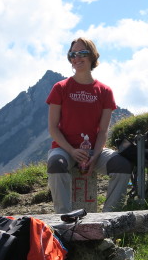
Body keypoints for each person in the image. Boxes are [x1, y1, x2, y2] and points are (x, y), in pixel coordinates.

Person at [46, 38, 132, 214]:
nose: (77, 58)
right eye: (72, 54)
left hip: (94, 150)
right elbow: (53, 128)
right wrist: (71, 151)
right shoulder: (60, 88)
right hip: (65, 149)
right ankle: (63, 220)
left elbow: (103, 131)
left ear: (92, 56)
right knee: (56, 163)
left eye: (82, 53)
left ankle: (109, 218)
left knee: (122, 165)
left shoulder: (105, 91)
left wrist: (96, 155)